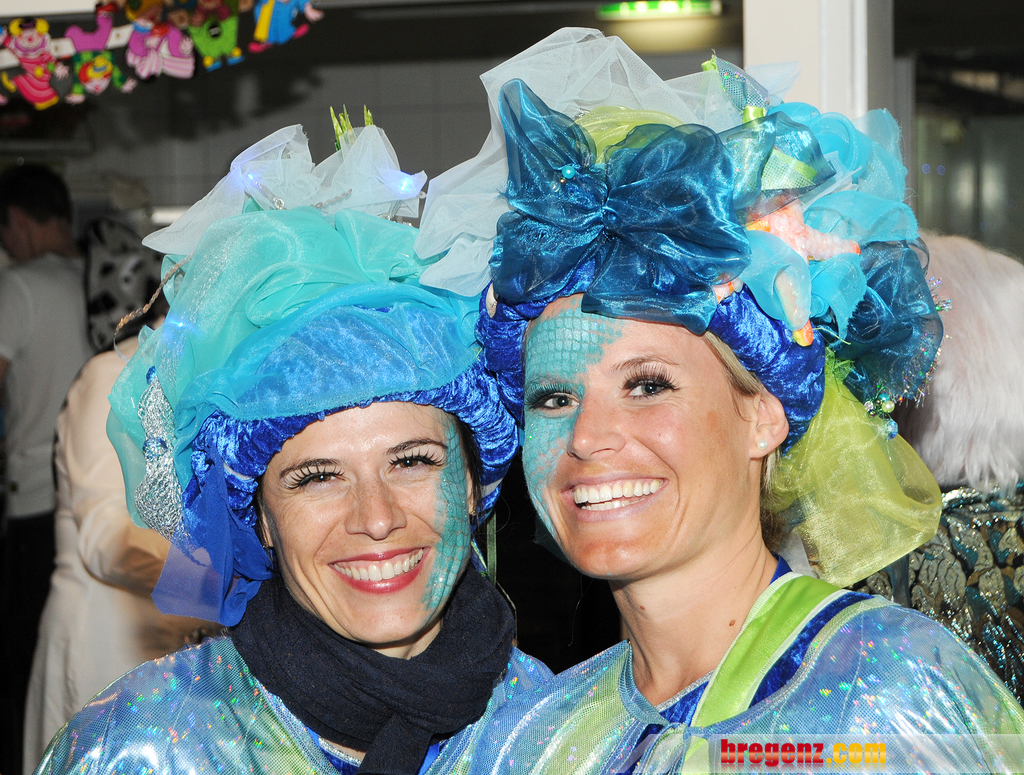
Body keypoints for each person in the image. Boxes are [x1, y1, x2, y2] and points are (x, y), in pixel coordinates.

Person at [414, 29, 1024, 773]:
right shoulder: (525, 739)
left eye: (647, 385)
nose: (587, 436)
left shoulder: (882, 699)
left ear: (763, 413)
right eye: (552, 396)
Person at [32, 120, 548, 775]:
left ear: (474, 483)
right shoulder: (139, 749)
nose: (376, 518)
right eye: (317, 477)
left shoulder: (558, 731)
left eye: (412, 461)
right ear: (260, 520)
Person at [22, 228, 216, 773]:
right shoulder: (111, 375)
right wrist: (220, 577)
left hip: (181, 647)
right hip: (105, 644)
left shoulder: (206, 385)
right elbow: (105, 539)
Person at [0, 163, 94, 775]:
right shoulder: (107, 276)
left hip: (37, 500)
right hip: (106, 499)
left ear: (18, 222)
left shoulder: (19, 287)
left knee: (25, 669)